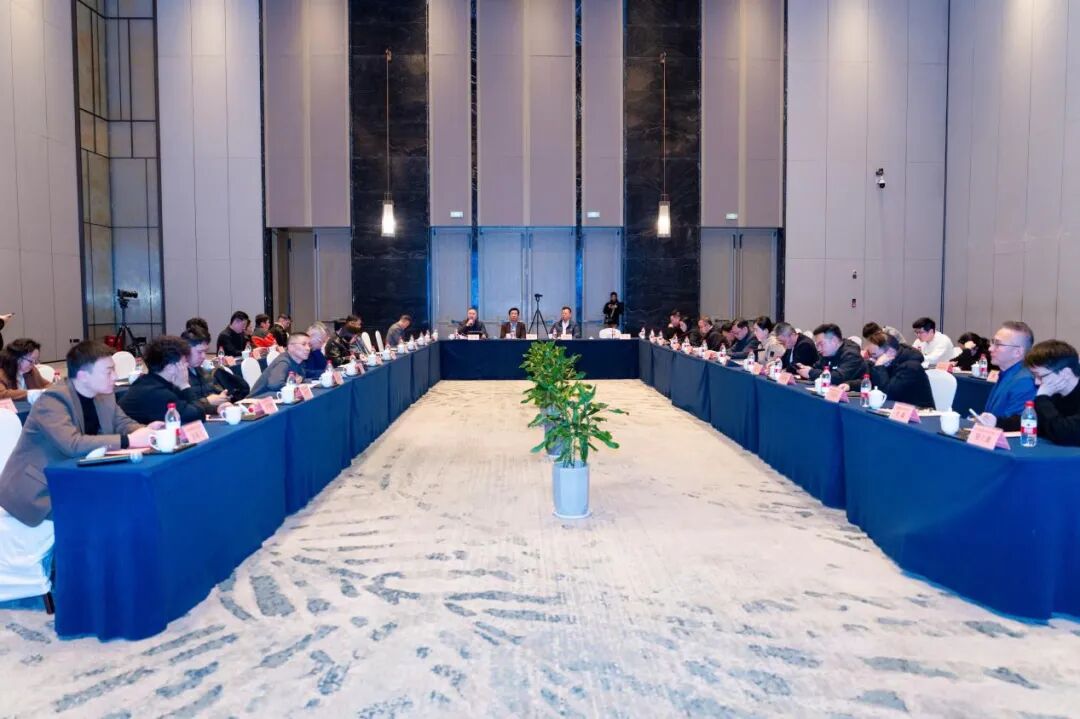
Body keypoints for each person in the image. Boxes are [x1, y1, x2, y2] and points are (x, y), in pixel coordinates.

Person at [0, 341, 159, 527]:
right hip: (39, 491)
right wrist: (129, 440)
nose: (115, 376)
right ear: (83, 376)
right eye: (108, 372)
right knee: (108, 512)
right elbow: (72, 444)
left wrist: (147, 431)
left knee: (129, 499)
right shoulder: (53, 400)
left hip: (75, 479)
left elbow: (123, 423)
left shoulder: (104, 395)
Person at [120, 336, 220, 424]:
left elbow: (189, 405)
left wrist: (217, 409)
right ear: (171, 367)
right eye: (184, 362)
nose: (186, 365)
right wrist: (185, 385)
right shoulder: (156, 393)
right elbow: (197, 415)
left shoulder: (155, 382)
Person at [974, 321, 1037, 431]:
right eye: (992, 342)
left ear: (1018, 352)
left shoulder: (1024, 381)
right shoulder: (1007, 373)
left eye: (998, 344)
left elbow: (1011, 427)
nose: (990, 349)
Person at [1022, 340, 1080, 446]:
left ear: (1065, 373)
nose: (1036, 382)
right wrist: (996, 422)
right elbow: (1035, 422)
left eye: (1040, 376)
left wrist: (1042, 398)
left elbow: (1063, 434)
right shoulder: (1054, 393)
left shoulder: (1047, 394)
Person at [863, 331, 935, 407]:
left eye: (875, 356)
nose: (872, 359)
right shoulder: (891, 363)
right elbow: (871, 384)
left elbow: (887, 395)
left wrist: (879, 365)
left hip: (920, 412)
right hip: (898, 409)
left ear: (890, 352)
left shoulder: (911, 367)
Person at [181, 328, 242, 411]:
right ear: (185, 351)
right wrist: (208, 401)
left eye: (205, 351)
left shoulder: (202, 370)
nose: (203, 356)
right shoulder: (177, 376)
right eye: (199, 352)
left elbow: (213, 395)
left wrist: (222, 398)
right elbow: (182, 407)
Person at [796, 323, 866, 384]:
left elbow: (838, 377)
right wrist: (805, 370)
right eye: (817, 345)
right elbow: (817, 368)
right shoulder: (827, 353)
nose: (819, 349)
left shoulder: (851, 355)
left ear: (834, 341)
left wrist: (811, 373)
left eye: (821, 344)